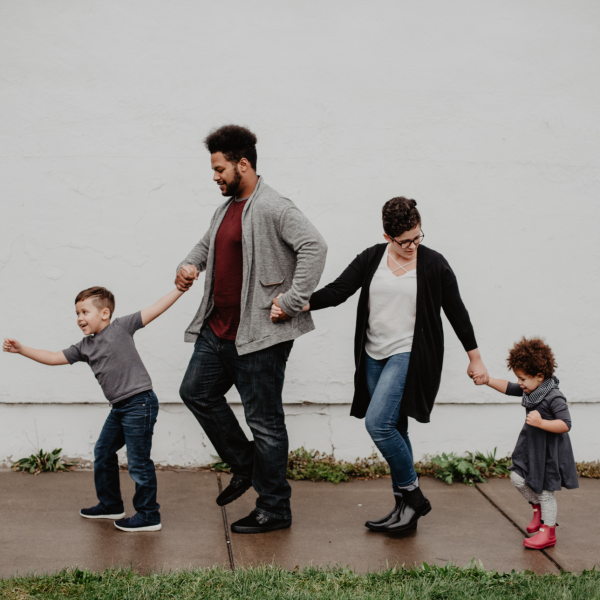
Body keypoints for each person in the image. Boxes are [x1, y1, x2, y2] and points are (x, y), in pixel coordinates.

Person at [271, 197, 489, 533]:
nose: (413, 246)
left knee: (379, 425)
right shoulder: (373, 258)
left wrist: (474, 358)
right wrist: (295, 305)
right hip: (373, 355)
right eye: (405, 241)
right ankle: (404, 511)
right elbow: (338, 291)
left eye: (418, 237)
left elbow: (456, 311)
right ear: (388, 237)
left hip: (409, 354)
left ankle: (414, 497)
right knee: (396, 428)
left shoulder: (433, 264)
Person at [176, 125, 327, 534]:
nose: (215, 176)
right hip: (218, 330)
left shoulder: (274, 206)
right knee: (195, 392)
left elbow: (315, 246)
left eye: (220, 168)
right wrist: (189, 265)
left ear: (243, 164)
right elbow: (207, 245)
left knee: (265, 422)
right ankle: (246, 466)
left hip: (259, 336)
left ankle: (275, 507)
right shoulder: (225, 208)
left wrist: (292, 301)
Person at [3, 285, 185, 532]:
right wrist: (21, 349)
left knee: (138, 461)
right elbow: (54, 356)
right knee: (103, 451)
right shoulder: (84, 347)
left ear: (105, 313)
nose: (79, 318)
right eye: (77, 313)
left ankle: (149, 514)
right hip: (119, 408)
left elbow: (156, 308)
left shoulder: (122, 327)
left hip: (139, 403)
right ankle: (111, 505)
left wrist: (180, 289)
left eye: (85, 312)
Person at [471, 337, 578, 550]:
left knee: (545, 492)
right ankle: (537, 509)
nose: (520, 383)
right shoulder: (532, 389)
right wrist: (487, 379)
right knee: (517, 478)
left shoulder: (553, 396)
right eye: (518, 378)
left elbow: (565, 424)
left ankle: (548, 532)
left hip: (548, 453)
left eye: (523, 378)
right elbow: (509, 387)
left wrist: (541, 422)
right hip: (531, 448)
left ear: (540, 376)